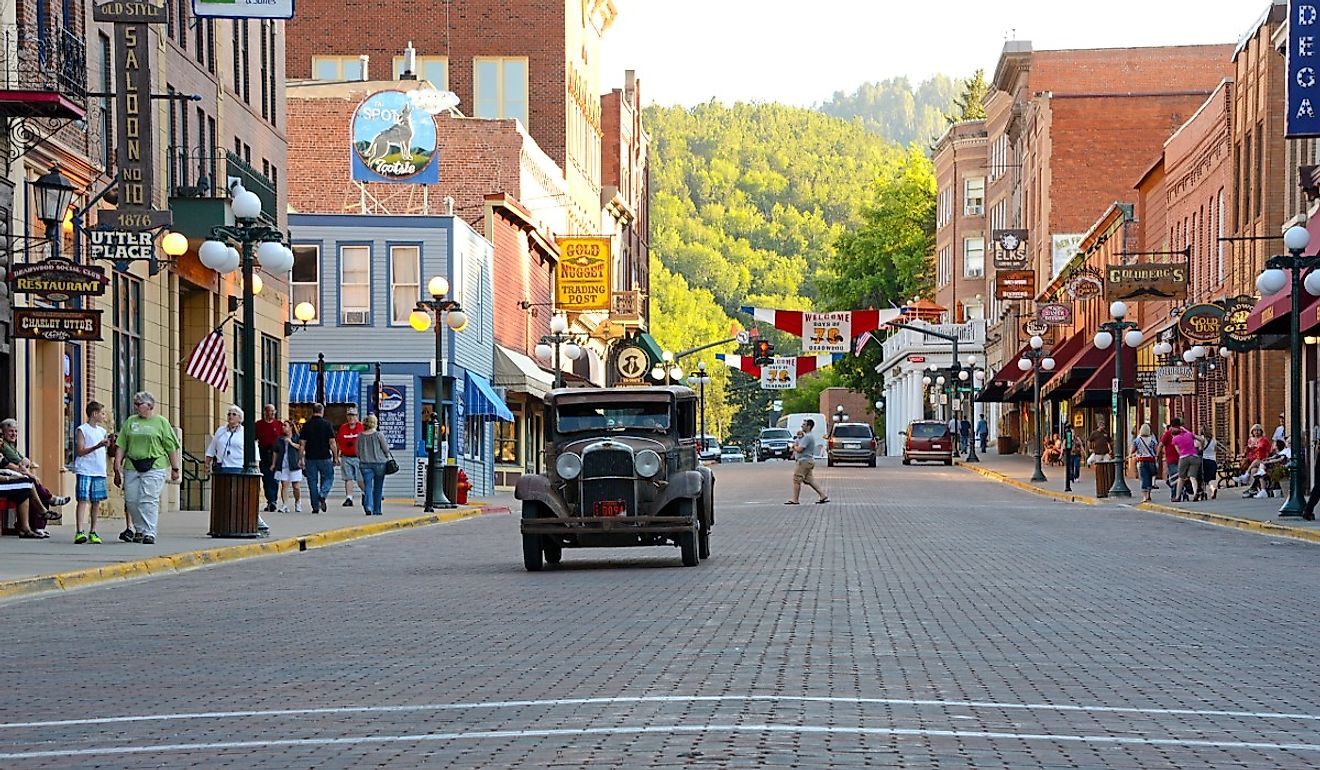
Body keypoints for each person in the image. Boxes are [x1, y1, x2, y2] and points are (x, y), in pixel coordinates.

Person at [113, 391, 181, 545]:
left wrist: (175, 468)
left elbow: (170, 447)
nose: (136, 407)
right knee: (131, 500)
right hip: (132, 465)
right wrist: (117, 465)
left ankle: (149, 531)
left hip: (154, 465)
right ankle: (139, 529)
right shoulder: (131, 422)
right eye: (135, 404)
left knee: (148, 500)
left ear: (150, 406)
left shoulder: (161, 422)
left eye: (139, 404)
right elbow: (121, 445)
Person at [206, 405, 267, 533]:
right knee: (225, 498)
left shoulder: (245, 433)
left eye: (234, 414)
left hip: (239, 469)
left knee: (241, 498)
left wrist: (255, 467)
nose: (230, 416)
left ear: (240, 418)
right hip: (223, 469)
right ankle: (224, 524)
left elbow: (254, 452)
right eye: (229, 414)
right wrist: (207, 462)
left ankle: (254, 520)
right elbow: (212, 447)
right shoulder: (221, 431)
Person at [0, 418, 69, 519]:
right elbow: (16, 463)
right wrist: (28, 472)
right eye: (11, 431)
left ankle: (37, 524)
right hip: (6, 479)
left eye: (15, 431)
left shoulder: (10, 446)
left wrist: (24, 465)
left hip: (12, 476)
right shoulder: (4, 446)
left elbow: (24, 461)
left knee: (31, 486)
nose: (14, 434)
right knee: (29, 484)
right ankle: (44, 509)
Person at [72, 401, 112, 544]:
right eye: (102, 413)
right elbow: (81, 451)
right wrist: (97, 446)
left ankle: (93, 530)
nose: (104, 416)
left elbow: (105, 451)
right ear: (94, 414)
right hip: (85, 468)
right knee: (83, 499)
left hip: (99, 470)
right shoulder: (82, 429)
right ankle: (79, 530)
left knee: (96, 501)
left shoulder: (102, 431)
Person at [300, 403, 337, 513]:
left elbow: (302, 444)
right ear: (322, 411)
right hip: (325, 456)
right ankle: (322, 494)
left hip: (310, 457)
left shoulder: (307, 425)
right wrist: (335, 457)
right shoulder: (327, 425)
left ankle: (315, 507)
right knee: (329, 477)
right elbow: (332, 443)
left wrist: (300, 458)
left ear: (313, 411)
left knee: (312, 481)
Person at [356, 415, 392, 516]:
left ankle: (368, 507)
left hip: (365, 464)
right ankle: (377, 509)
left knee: (368, 486)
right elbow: (385, 449)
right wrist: (385, 455)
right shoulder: (378, 435)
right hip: (379, 464)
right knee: (378, 487)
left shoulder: (360, 436)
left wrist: (363, 457)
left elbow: (357, 451)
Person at [785, 418, 828, 505]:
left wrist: (793, 447)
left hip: (803, 462)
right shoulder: (807, 436)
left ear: (809, 426)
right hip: (808, 461)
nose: (802, 426)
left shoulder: (807, 437)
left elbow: (800, 449)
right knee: (809, 480)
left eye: (804, 425)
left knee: (796, 479)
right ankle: (823, 495)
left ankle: (795, 500)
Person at [268, 419, 304, 513]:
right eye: (283, 426)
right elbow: (275, 452)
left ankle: (298, 502)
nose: (283, 427)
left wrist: (291, 443)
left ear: (291, 427)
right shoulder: (280, 439)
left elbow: (301, 447)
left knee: (296, 486)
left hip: (294, 464)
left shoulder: (297, 437)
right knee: (284, 485)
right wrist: (273, 464)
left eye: (285, 425)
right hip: (283, 464)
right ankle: (285, 505)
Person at [255, 403, 283, 513]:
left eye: (272, 411)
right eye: (268, 411)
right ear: (264, 412)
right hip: (263, 452)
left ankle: (273, 500)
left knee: (275, 478)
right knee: (266, 478)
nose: (270, 413)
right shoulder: (258, 425)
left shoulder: (279, 425)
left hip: (276, 453)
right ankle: (270, 500)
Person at [336, 407, 364, 507]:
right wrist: (337, 455)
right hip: (346, 456)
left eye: (353, 415)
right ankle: (349, 497)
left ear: (357, 416)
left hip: (358, 457)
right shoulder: (343, 428)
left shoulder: (361, 427)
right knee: (348, 478)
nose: (351, 418)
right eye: (349, 416)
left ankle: (365, 493)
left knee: (360, 478)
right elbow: (339, 442)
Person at [1171, 422, 1203, 503]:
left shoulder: (1175, 439)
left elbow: (1178, 451)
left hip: (1184, 458)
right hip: (1194, 457)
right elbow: (1201, 439)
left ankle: (1178, 496)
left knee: (1181, 478)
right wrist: (1200, 448)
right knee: (1193, 477)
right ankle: (1195, 493)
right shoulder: (1189, 435)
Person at [1130, 423, 1159, 503]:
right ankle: (1149, 495)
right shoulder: (1152, 439)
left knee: (1143, 478)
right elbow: (1156, 450)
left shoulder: (1137, 440)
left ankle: (1144, 497)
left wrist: (1131, 455)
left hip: (1141, 460)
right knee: (1149, 478)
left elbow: (1132, 450)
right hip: (1151, 460)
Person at [1157, 418, 1184, 500]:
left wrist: (1157, 455)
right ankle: (1182, 492)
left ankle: (1174, 494)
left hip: (1171, 459)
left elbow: (1161, 444)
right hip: (1182, 458)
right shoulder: (1182, 432)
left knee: (1174, 478)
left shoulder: (1168, 434)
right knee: (1180, 477)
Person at [1198, 428, 1219, 501]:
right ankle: (1213, 489)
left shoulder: (1202, 439)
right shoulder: (1214, 440)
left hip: (1204, 461)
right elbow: (1215, 450)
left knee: (1204, 479)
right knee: (1212, 478)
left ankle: (1204, 492)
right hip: (1213, 461)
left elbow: (1200, 449)